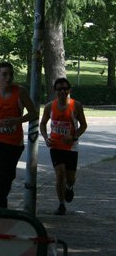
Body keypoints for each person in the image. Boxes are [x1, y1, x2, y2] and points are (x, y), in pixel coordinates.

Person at [0, 62, 38, 208]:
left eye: (11, 74)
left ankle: (0, 205)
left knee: (7, 177)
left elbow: (33, 113)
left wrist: (17, 120)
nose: (8, 77)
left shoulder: (20, 92)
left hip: (14, 142)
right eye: (4, 74)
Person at [40, 78, 87, 215]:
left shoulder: (76, 106)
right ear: (55, 91)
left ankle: (69, 186)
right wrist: (46, 138)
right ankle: (61, 204)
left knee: (70, 177)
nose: (62, 91)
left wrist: (73, 136)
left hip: (71, 147)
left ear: (69, 90)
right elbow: (43, 124)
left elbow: (83, 125)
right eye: (59, 89)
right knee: (60, 174)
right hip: (55, 146)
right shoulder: (50, 106)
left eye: (65, 89)